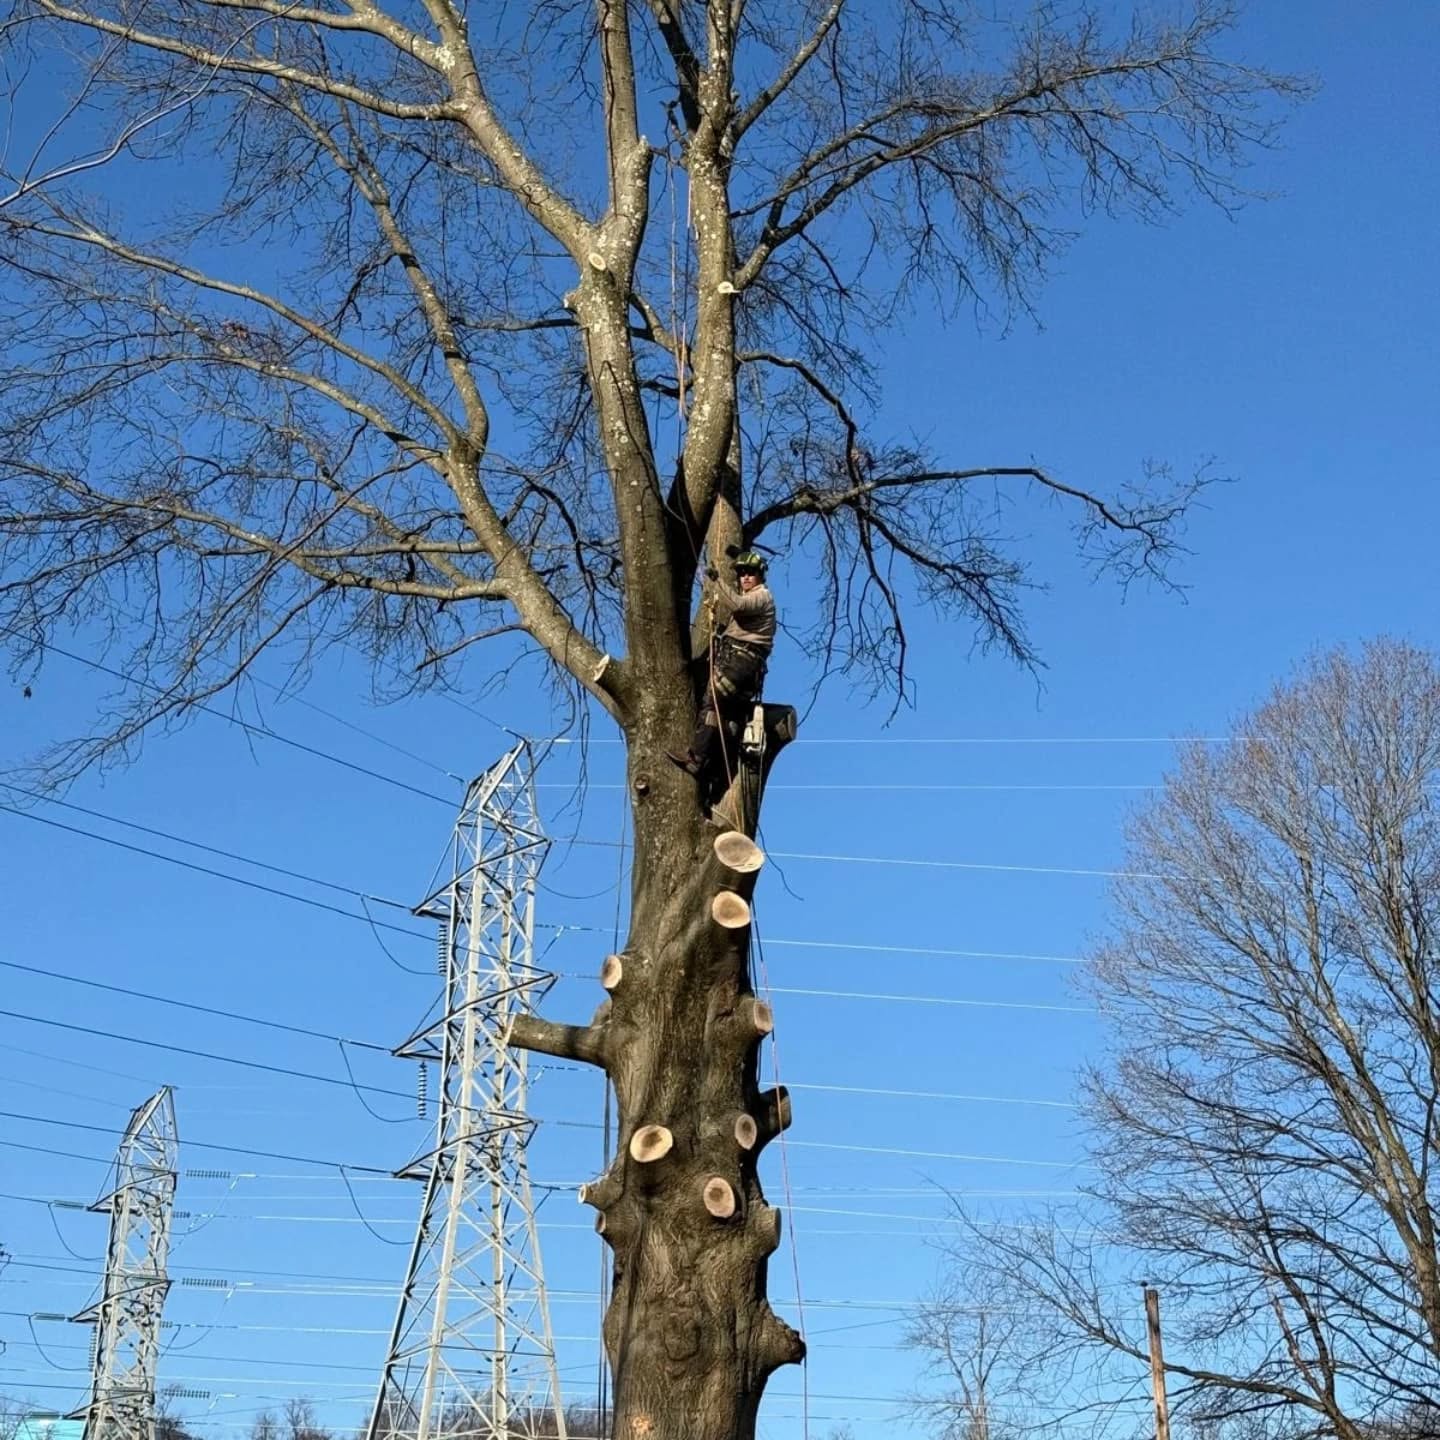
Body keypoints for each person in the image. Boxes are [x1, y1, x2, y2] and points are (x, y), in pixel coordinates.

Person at [668, 551, 775, 783]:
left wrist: (716, 581)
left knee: (712, 702)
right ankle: (719, 772)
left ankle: (696, 757)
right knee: (727, 715)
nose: (745, 577)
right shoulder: (756, 599)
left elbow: (737, 604)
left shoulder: (762, 596)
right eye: (742, 573)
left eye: (751, 573)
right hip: (746, 669)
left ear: (760, 575)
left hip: (740, 664)